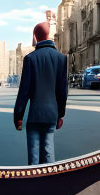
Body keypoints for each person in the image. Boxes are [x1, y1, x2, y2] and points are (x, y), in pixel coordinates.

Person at [13, 21, 68, 165]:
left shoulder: (30, 59)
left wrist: (18, 116)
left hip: (33, 115)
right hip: (51, 114)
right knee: (49, 153)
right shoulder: (61, 59)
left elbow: (24, 92)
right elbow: (62, 92)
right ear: (48, 35)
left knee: (34, 156)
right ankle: (50, 184)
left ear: (36, 37)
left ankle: (33, 185)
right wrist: (60, 115)